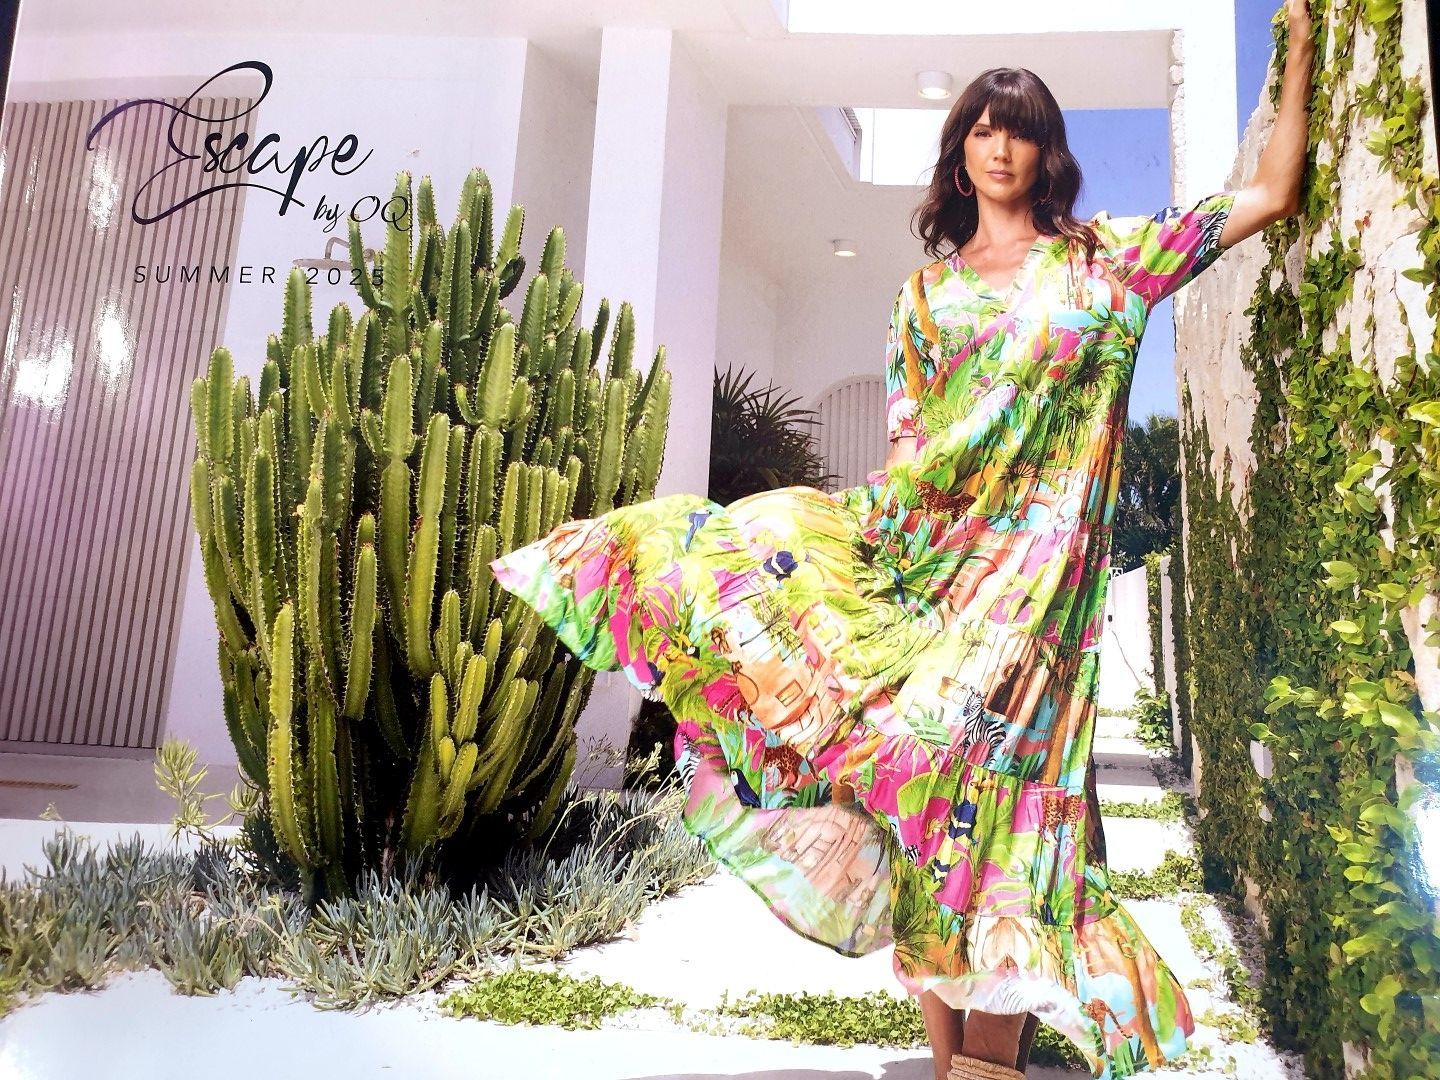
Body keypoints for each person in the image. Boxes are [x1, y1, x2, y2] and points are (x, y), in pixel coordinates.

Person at [490, 5, 1313, 1077]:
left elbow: (1267, 194)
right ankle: (954, 1066)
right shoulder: (923, 301)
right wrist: (815, 550)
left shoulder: (1105, 264)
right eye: (983, 127)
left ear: (1045, 153)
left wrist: (1293, 48)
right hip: (939, 586)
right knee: (920, 802)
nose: (1002, 144)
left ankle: (989, 1062)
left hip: (1043, 614)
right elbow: (912, 455)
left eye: (1021, 128)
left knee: (1014, 832)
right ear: (961, 153)